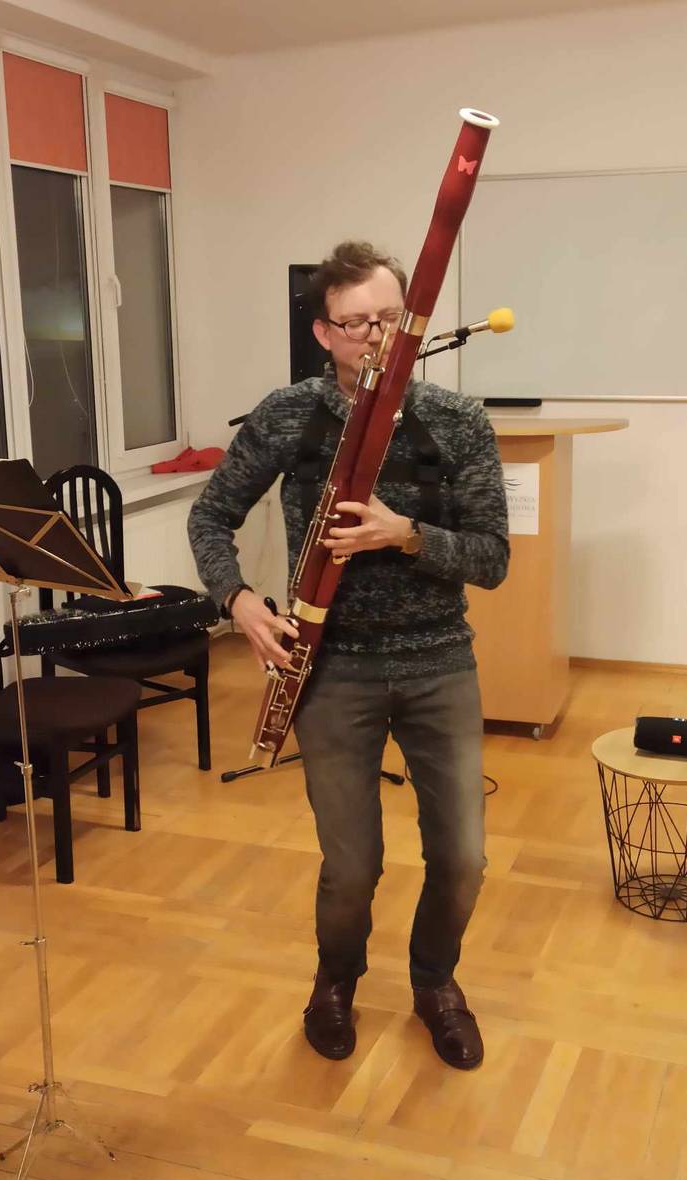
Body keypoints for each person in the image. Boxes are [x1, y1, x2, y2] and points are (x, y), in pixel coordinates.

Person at [187, 241, 509, 1070]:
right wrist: (238, 601)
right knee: (352, 864)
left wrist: (406, 534)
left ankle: (435, 984)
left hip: (439, 662)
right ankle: (335, 982)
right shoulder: (288, 415)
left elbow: (491, 559)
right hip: (332, 670)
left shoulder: (458, 421)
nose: (376, 336)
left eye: (390, 319)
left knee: (463, 859)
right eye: (356, 322)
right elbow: (210, 517)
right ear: (324, 333)